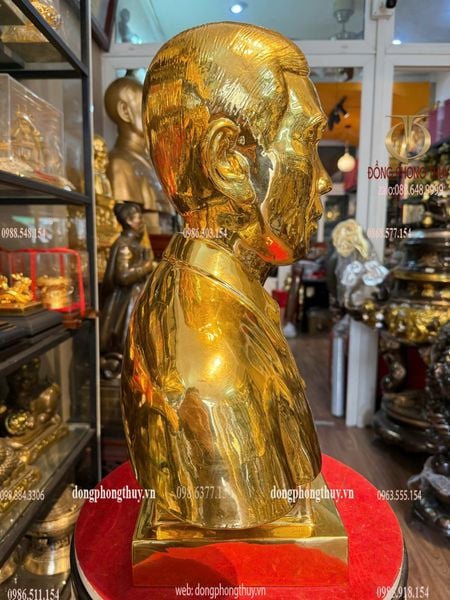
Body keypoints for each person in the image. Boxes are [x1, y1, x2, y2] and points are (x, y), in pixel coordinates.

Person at [122, 22, 333, 529]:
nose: (324, 180)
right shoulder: (210, 372)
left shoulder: (225, 300)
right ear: (229, 162)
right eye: (307, 142)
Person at [104, 76, 171, 231]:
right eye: (145, 107)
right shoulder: (118, 164)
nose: (155, 115)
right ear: (125, 111)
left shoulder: (152, 161)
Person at [100, 202, 154, 365]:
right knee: (126, 342)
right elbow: (123, 276)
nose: (142, 222)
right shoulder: (124, 244)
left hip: (134, 297)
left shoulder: (134, 244)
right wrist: (147, 266)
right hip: (125, 301)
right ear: (129, 221)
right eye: (139, 218)